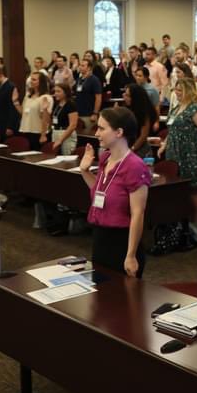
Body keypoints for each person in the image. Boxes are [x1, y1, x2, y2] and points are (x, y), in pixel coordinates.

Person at [78, 108, 150, 278]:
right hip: (101, 236)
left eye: (102, 128)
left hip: (122, 242)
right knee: (100, 289)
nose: (97, 133)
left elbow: (138, 214)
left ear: (119, 132)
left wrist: (131, 255)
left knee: (121, 293)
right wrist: (84, 171)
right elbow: (100, 190)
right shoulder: (105, 158)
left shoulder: (135, 166)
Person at [157, 77, 197, 237]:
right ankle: (181, 223)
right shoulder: (176, 108)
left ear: (189, 91)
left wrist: (189, 138)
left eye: (180, 90)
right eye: (176, 90)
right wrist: (164, 144)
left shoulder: (196, 108)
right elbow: (172, 129)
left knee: (193, 189)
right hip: (175, 153)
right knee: (178, 188)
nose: (177, 93)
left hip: (191, 154)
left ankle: (196, 223)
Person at [16, 72, 53, 151]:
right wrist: (15, 102)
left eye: (34, 79)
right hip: (25, 130)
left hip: (37, 132)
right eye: (31, 79)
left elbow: (45, 119)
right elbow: (23, 113)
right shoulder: (28, 96)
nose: (31, 81)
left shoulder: (45, 97)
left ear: (41, 82)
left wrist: (43, 135)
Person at [121, 83, 157, 158]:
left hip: (139, 149)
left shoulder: (144, 112)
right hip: (128, 147)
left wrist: (131, 149)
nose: (125, 97)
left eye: (128, 95)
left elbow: (143, 135)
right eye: (125, 94)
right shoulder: (128, 109)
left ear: (135, 98)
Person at [50, 83, 79, 155]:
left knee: (66, 157)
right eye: (55, 91)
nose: (55, 94)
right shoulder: (56, 104)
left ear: (66, 92)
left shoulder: (70, 104)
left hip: (66, 134)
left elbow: (73, 125)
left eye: (58, 91)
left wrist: (60, 139)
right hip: (55, 131)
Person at [75, 58, 103, 130]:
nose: (80, 67)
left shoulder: (94, 80)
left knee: (87, 133)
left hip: (89, 114)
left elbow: (98, 97)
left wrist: (95, 113)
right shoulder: (79, 79)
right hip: (78, 113)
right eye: (80, 65)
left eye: (83, 66)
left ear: (89, 68)